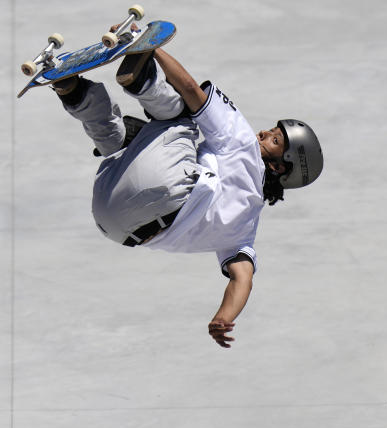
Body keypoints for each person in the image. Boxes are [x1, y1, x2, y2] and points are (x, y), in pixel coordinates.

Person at [50, 41, 323, 348]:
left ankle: (141, 81)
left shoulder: (242, 141)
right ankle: (74, 93)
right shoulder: (245, 230)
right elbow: (242, 278)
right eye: (271, 129)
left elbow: (192, 90)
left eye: (275, 140)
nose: (262, 133)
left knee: (181, 114)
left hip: (166, 192)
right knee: (125, 142)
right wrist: (223, 316)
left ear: (278, 168)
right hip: (114, 224)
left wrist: (150, 48)